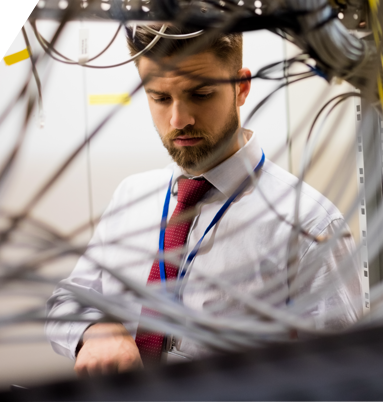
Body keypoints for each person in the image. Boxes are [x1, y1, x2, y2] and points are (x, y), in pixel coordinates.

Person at [45, 25, 362, 377]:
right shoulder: (131, 196)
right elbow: (67, 300)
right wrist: (97, 331)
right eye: (160, 98)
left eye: (201, 94)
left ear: (241, 88)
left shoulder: (307, 224)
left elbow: (341, 373)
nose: (179, 120)